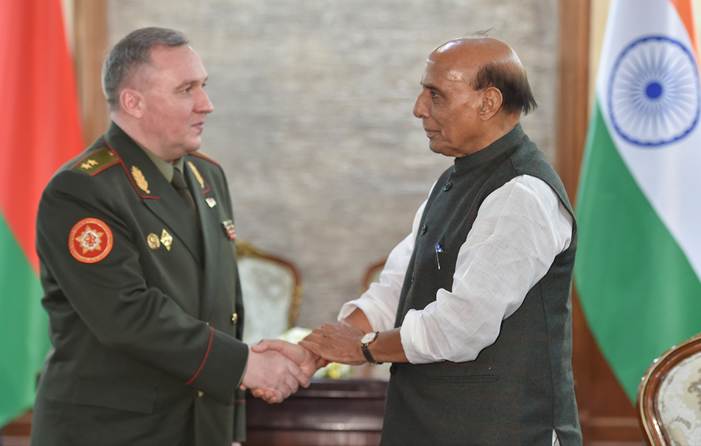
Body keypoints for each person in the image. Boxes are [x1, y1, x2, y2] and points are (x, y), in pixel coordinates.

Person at [264, 37, 582, 445]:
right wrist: (316, 351)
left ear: (488, 102)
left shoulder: (522, 193)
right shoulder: (454, 180)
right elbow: (398, 288)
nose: (419, 108)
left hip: (501, 431)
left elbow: (463, 326)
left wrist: (363, 348)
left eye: (436, 95)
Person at [31, 27, 311, 446]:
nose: (206, 104)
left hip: (200, 429)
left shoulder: (206, 176)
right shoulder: (83, 190)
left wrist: (229, 429)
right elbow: (126, 315)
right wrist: (244, 366)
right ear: (133, 102)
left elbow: (223, 309)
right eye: (186, 90)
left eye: (203, 86)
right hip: (112, 434)